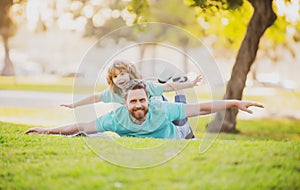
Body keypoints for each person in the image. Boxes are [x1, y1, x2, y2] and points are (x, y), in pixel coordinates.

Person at [25, 80, 264, 139]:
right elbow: (80, 126)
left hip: (175, 132)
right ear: (125, 103)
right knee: (179, 110)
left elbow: (202, 108)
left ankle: (179, 98)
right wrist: (45, 131)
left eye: (142, 100)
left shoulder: (160, 109)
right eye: (133, 101)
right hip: (164, 118)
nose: (138, 105)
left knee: (181, 115)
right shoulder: (116, 118)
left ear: (147, 99)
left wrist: (234, 103)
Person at [60, 59, 202, 108]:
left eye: (122, 74)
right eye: (115, 76)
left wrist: (190, 84)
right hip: (146, 107)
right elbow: (95, 97)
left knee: (180, 118)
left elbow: (167, 88)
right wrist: (74, 104)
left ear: (130, 73)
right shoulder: (114, 93)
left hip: (161, 102)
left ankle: (178, 89)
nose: (119, 78)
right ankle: (164, 79)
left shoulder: (144, 86)